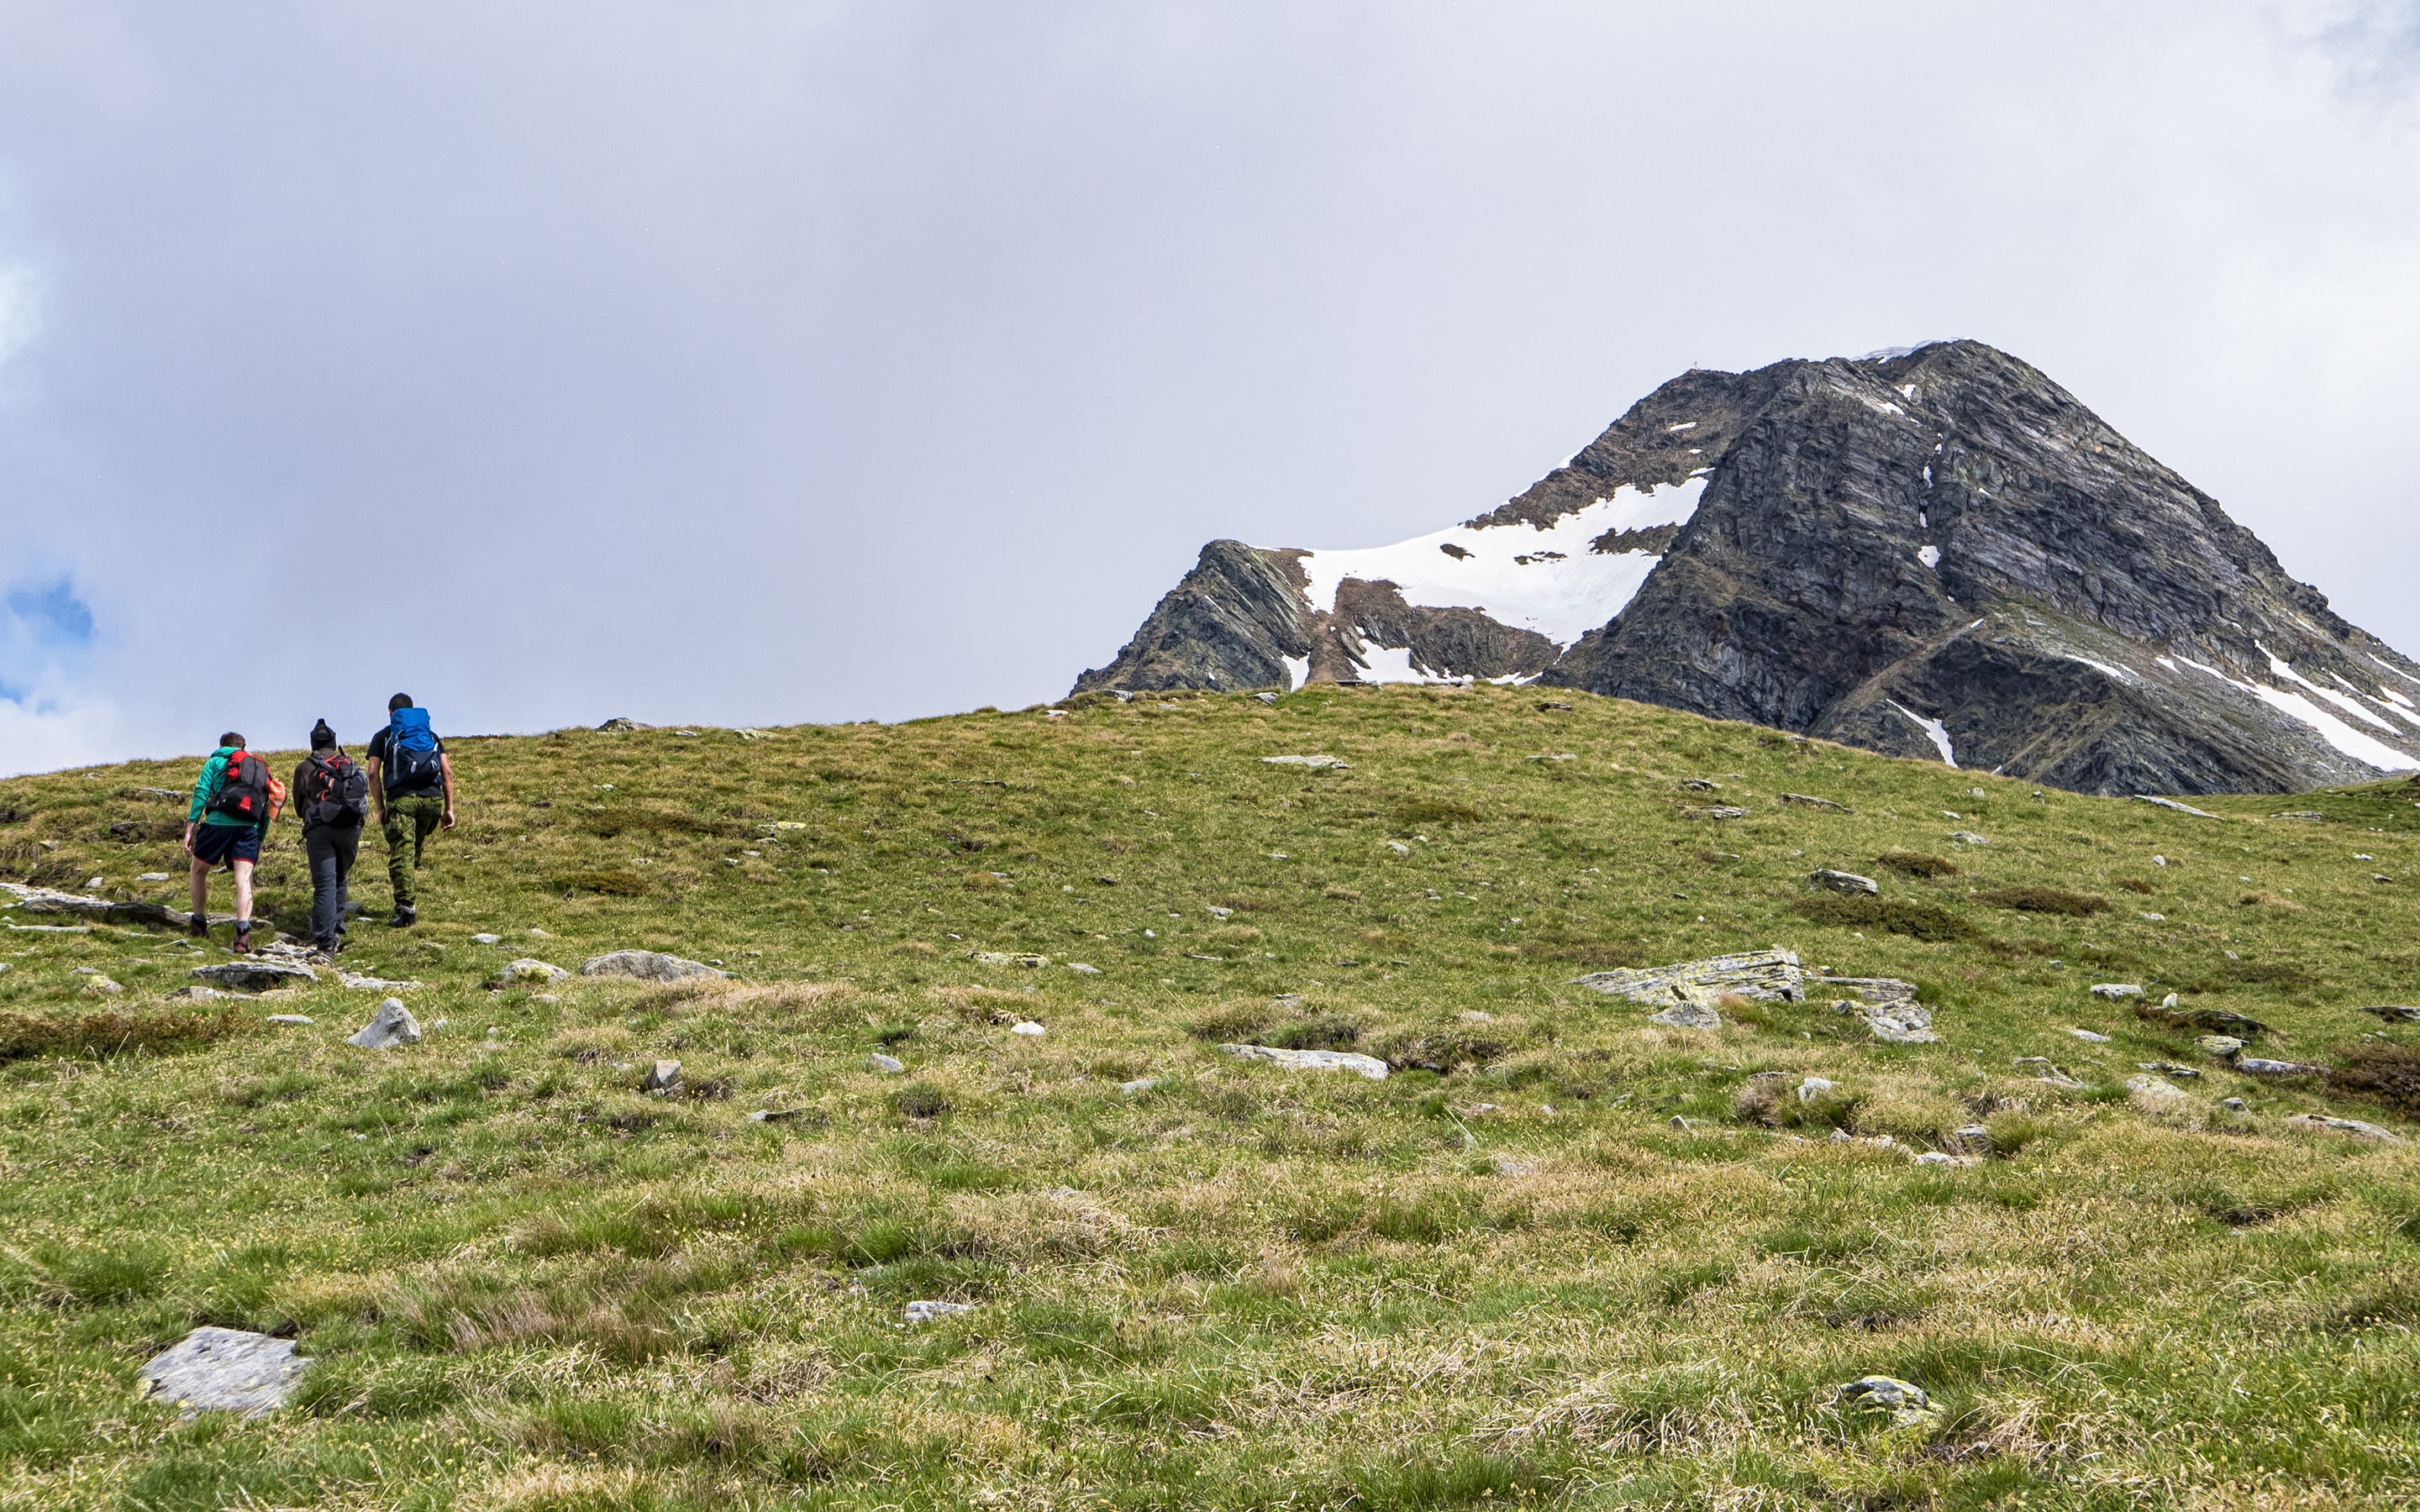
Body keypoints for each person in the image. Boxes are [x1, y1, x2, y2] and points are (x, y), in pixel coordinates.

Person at [183, 732, 282, 953]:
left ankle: (198, 924)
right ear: (244, 747)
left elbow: (201, 792)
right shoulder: (260, 768)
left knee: (198, 871)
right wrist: (260, 837)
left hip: (217, 824)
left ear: (221, 745)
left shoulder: (215, 761)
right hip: (248, 828)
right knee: (244, 879)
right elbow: (267, 805)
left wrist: (191, 827)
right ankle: (242, 935)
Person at [365, 693, 455, 927]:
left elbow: (373, 772)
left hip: (402, 801)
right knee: (414, 849)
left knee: (402, 854)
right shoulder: (430, 735)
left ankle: (407, 910)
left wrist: (380, 808)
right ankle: (404, 901)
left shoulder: (384, 736)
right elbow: (447, 772)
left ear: (390, 713)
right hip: (432, 801)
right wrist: (449, 809)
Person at [292, 720, 371, 955]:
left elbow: (298, 807)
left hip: (319, 831)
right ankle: (336, 927)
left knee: (324, 884)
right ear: (335, 743)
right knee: (341, 877)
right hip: (350, 828)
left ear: (313, 743)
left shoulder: (305, 767)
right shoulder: (349, 765)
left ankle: (326, 942)